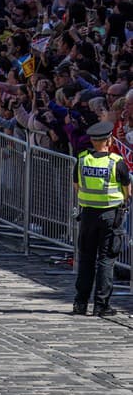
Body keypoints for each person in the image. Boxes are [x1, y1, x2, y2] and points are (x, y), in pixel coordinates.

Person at [73, 121, 132, 317]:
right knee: (106, 260)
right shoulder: (116, 161)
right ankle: (101, 305)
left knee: (86, 259)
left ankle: (80, 303)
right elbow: (126, 189)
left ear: (92, 140)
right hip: (110, 216)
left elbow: (77, 185)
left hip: (88, 214)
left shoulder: (82, 159)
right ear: (109, 140)